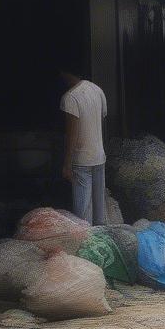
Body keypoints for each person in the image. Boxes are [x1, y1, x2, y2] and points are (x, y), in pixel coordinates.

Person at [60, 66, 108, 225]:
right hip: (99, 157)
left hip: (82, 162)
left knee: (82, 215)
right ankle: (101, 244)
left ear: (65, 74)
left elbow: (71, 135)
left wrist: (67, 164)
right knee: (99, 211)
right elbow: (101, 123)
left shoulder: (71, 97)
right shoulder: (97, 90)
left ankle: (86, 244)